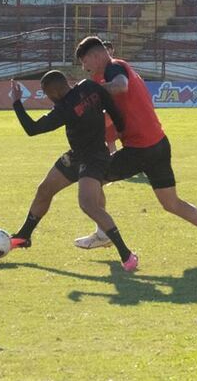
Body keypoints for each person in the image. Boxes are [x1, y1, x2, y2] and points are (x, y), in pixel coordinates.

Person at [71, 36, 197, 261]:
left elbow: (121, 86)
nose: (84, 68)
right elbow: (115, 114)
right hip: (159, 144)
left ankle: (103, 234)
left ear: (96, 56)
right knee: (172, 203)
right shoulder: (117, 70)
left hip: (139, 149)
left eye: (85, 62)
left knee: (93, 177)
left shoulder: (114, 68)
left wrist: (95, 93)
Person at [8, 71, 138, 271]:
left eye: (47, 94)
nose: (48, 98)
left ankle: (126, 255)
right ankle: (24, 236)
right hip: (77, 156)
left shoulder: (64, 109)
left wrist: (17, 102)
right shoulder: (89, 86)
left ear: (54, 91)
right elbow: (112, 108)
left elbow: (32, 129)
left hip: (93, 159)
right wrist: (121, 130)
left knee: (88, 204)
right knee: (45, 190)